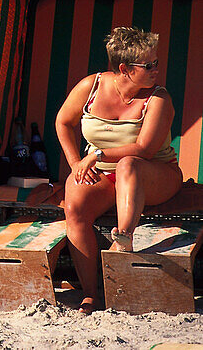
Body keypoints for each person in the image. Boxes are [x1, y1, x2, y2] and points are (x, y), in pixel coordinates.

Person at [54, 27, 181, 313]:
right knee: (74, 206)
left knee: (128, 165)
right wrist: (75, 162)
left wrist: (97, 154)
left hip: (155, 173)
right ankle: (91, 292)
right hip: (106, 175)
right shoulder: (92, 86)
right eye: (148, 65)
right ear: (124, 69)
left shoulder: (158, 98)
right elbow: (63, 121)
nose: (155, 70)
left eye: (156, 63)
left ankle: (123, 237)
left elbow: (145, 149)